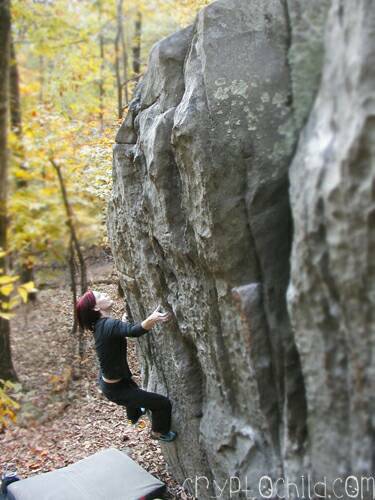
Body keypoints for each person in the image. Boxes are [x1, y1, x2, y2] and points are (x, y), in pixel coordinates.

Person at [75, 289, 177, 443]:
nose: (106, 294)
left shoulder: (100, 325)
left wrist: (124, 322)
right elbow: (133, 331)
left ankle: (134, 417)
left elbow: (120, 332)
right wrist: (152, 319)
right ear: (96, 308)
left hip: (113, 382)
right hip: (117, 389)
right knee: (162, 404)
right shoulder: (108, 325)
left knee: (134, 397)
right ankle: (158, 432)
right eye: (101, 296)